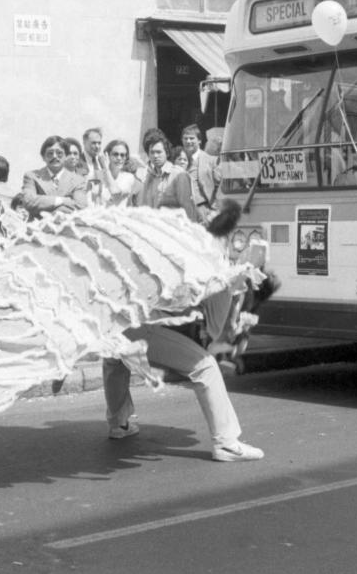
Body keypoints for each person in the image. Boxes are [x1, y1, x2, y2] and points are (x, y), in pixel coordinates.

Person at [102, 200, 266, 463]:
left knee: (115, 357)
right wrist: (231, 280)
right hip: (144, 322)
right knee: (206, 368)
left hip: (124, 319)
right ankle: (225, 443)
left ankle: (119, 423)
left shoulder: (195, 247)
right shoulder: (201, 252)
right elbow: (200, 292)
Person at [132, 131, 201, 223]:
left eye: (159, 152)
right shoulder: (147, 176)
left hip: (175, 229)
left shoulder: (178, 175)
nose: (155, 156)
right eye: (152, 152)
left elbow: (188, 208)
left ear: (167, 153)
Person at [20, 135, 88, 220]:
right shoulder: (32, 176)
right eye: (50, 153)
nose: (55, 156)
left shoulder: (78, 180)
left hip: (67, 229)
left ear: (66, 156)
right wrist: (61, 200)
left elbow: (81, 206)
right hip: (37, 229)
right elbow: (29, 201)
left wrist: (53, 213)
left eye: (59, 153)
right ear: (43, 157)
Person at [181, 123, 220, 223]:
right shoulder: (178, 161)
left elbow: (220, 187)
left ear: (199, 141)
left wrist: (215, 211)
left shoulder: (212, 161)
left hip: (204, 210)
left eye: (191, 138)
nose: (188, 141)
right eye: (185, 138)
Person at [92, 139, 137, 207]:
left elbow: (115, 193)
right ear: (107, 155)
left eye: (122, 155)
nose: (119, 158)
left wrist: (106, 168)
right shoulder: (96, 175)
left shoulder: (128, 177)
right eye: (115, 154)